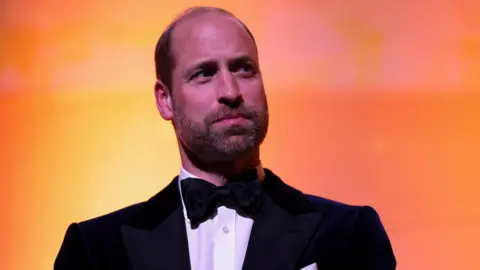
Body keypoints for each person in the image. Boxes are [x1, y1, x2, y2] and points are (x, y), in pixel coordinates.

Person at [54, 6, 396, 270]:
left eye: (244, 69)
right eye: (205, 74)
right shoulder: (97, 249)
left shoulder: (348, 234)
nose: (231, 92)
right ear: (165, 100)